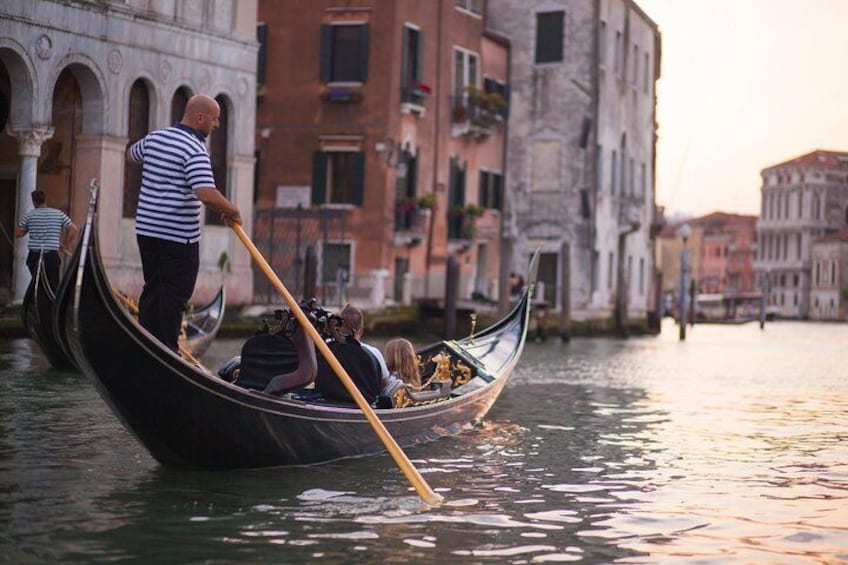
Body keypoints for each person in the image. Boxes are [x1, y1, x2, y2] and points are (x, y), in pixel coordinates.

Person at [127, 94, 242, 352]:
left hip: (147, 230)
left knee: (153, 289)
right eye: (215, 119)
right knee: (174, 295)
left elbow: (131, 154)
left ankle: (146, 344)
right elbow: (206, 194)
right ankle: (166, 350)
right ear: (199, 117)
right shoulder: (194, 148)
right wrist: (233, 210)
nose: (217, 125)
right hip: (178, 237)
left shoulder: (155, 137)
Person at [314, 304, 383, 404]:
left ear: (338, 327)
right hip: (362, 407)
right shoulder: (374, 354)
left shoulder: (324, 351)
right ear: (361, 330)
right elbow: (381, 387)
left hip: (325, 403)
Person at [15, 190, 78, 292]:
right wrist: (65, 244)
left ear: (34, 202)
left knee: (38, 284)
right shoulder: (58, 214)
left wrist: (30, 228)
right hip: (51, 256)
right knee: (53, 286)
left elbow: (18, 234)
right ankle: (53, 304)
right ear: (45, 200)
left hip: (34, 256)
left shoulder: (29, 216)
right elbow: (74, 229)